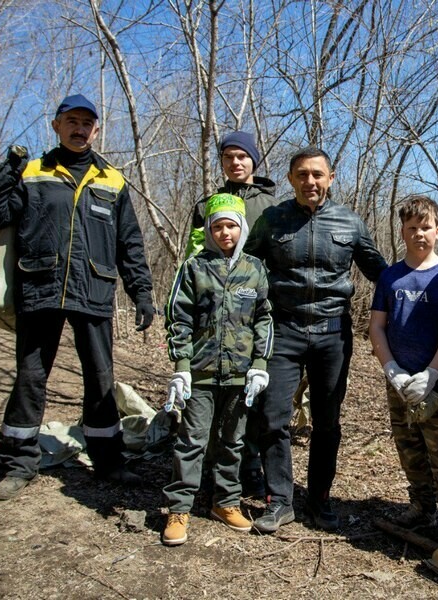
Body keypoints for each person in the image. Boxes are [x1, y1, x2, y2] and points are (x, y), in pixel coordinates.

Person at [0, 94, 155, 501]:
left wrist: (141, 292)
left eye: (87, 123)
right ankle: (19, 463)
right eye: (71, 121)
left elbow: (131, 243)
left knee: (101, 378)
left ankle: (107, 461)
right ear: (56, 126)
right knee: (31, 377)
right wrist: (8, 172)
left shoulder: (113, 180)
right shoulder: (33, 172)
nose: (79, 128)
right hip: (39, 287)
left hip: (93, 289)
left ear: (96, 130)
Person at [245, 147, 387, 533]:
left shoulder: (350, 222)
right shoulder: (272, 220)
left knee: (327, 422)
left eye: (317, 174)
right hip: (283, 330)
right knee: (273, 418)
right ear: (290, 179)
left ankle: (320, 499)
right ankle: (280, 501)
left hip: (332, 335)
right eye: (302, 175)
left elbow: (381, 273)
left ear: (330, 177)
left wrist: (422, 288)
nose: (310, 182)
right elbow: (246, 267)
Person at [161, 193, 274, 546]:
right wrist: (181, 367)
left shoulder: (255, 269)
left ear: (242, 228)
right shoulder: (194, 267)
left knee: (232, 441)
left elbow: (265, 318)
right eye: (218, 226)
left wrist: (259, 364)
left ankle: (225, 501)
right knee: (192, 441)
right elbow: (178, 318)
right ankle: (179, 508)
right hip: (201, 373)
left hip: (241, 376)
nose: (225, 233)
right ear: (209, 230)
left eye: (232, 226)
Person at [183, 131, 278, 499]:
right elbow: (193, 258)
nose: (236, 163)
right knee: (212, 390)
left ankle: (249, 466)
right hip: (212, 318)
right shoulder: (206, 205)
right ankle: (210, 462)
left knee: (252, 393)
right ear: (221, 162)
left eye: (242, 156)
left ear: (253, 160)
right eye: (228, 157)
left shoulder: (271, 205)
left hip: (255, 309)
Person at [369, 195, 438, 528]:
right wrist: (391, 369)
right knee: (408, 444)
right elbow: (376, 326)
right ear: (402, 231)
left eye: (426, 227)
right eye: (412, 228)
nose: (419, 234)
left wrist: (432, 373)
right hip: (399, 381)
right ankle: (421, 505)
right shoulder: (390, 277)